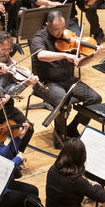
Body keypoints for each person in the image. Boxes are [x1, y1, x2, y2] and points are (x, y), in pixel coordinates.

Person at [31, 11, 101, 148]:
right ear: (47, 24)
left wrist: (92, 56)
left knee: (95, 98)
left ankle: (72, 127)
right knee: (64, 103)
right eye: (56, 29)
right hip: (47, 82)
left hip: (68, 80)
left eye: (62, 28)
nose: (60, 32)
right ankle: (60, 135)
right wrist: (63, 55)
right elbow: (41, 55)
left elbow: (78, 63)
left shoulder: (68, 38)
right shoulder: (39, 37)